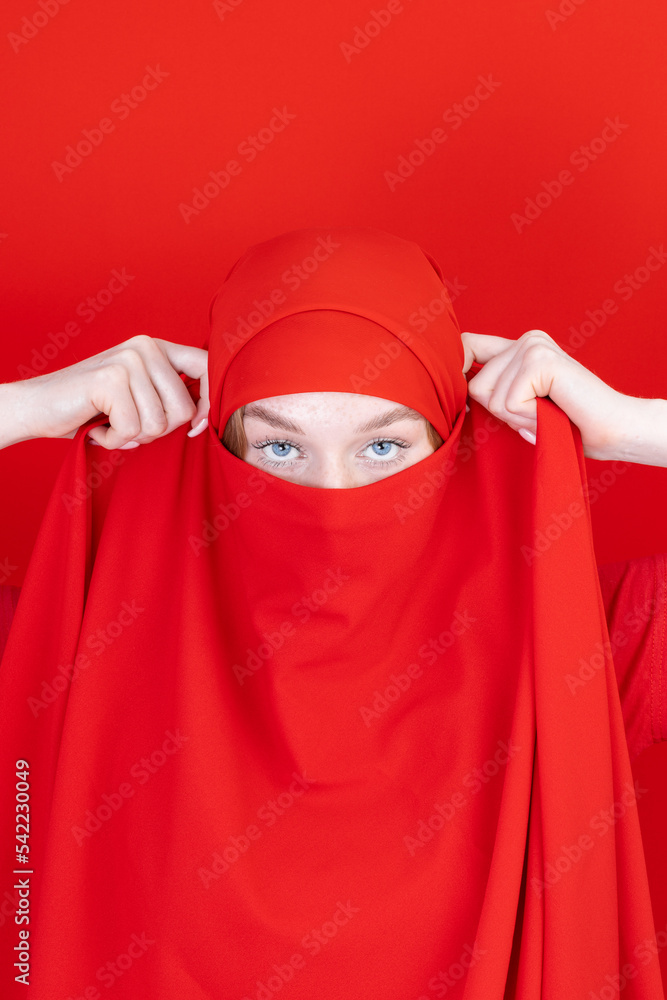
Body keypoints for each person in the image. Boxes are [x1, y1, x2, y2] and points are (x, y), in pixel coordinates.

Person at [0, 226, 665, 998]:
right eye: (279, 449)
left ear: (452, 442)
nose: (332, 494)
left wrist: (630, 427)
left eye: (383, 448)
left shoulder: (574, 640)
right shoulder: (79, 638)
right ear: (218, 449)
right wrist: (22, 406)